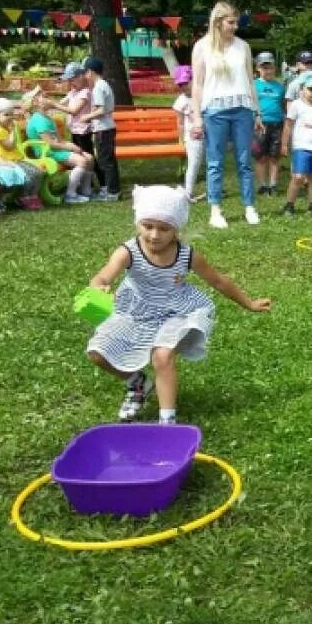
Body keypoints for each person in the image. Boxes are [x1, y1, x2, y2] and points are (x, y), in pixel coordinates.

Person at [86, 185, 272, 424]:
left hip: (176, 311)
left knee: (162, 356)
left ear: (175, 229)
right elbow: (103, 275)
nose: (154, 235)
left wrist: (250, 303)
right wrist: (100, 286)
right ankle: (137, 383)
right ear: (138, 223)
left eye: (163, 228)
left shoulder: (187, 255)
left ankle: (167, 423)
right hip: (136, 309)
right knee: (97, 352)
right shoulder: (128, 251)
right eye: (148, 226)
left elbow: (218, 281)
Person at [190, 1, 263, 228]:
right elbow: (198, 85)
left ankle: (249, 206)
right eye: (231, 22)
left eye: (236, 22)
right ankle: (215, 210)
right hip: (214, 111)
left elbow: (251, 81)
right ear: (218, 22)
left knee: (244, 161)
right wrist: (197, 117)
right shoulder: (202, 47)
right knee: (215, 162)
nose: (235, 27)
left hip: (242, 109)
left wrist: (257, 112)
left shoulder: (243, 46)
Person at [26, 89, 96, 204]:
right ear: (35, 103)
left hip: (55, 149)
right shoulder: (39, 120)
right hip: (47, 152)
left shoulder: (47, 118)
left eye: (44, 94)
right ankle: (70, 195)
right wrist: (71, 148)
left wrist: (72, 145)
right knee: (82, 161)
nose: (45, 96)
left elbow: (59, 140)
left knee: (89, 158)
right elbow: (50, 143)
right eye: (40, 95)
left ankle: (86, 190)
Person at [280, 72, 312, 216]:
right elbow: (288, 125)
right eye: (311, 89)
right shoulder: (296, 105)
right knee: (298, 177)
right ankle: (289, 205)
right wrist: (284, 144)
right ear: (302, 90)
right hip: (301, 148)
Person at [0, 97, 46, 210]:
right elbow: (9, 146)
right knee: (29, 176)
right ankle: (23, 197)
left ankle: (32, 196)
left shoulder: (7, 128)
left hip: (17, 159)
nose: (10, 117)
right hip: (8, 161)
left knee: (38, 172)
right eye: (6, 115)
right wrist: (13, 131)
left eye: (11, 114)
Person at [77, 57, 120, 201]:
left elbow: (101, 110)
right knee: (108, 160)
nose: (85, 75)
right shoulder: (103, 85)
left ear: (90, 71)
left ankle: (112, 192)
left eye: (85, 72)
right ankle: (112, 190)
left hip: (104, 129)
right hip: (106, 128)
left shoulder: (98, 87)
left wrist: (87, 117)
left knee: (105, 162)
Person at [54, 62, 102, 190]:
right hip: (75, 131)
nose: (70, 83)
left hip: (83, 132)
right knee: (80, 156)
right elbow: (61, 102)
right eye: (68, 80)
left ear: (81, 76)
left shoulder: (85, 92)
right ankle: (84, 183)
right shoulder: (74, 91)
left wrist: (53, 105)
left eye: (72, 79)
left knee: (88, 157)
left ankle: (100, 183)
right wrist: (48, 103)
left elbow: (74, 110)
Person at [253, 51, 286, 196]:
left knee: (274, 156)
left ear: (274, 68)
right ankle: (262, 185)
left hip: (277, 124)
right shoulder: (254, 85)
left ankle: (273, 184)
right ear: (258, 69)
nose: (267, 71)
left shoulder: (279, 87)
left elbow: (283, 105)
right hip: (260, 125)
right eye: (264, 67)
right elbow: (250, 105)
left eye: (270, 67)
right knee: (261, 157)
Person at [170, 65, 204, 200]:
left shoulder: (203, 95)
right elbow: (180, 123)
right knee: (193, 163)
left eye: (186, 82)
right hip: (192, 137)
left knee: (211, 163)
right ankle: (188, 192)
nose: (183, 87)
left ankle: (213, 189)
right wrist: (181, 139)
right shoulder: (181, 101)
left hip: (208, 134)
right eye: (180, 84)